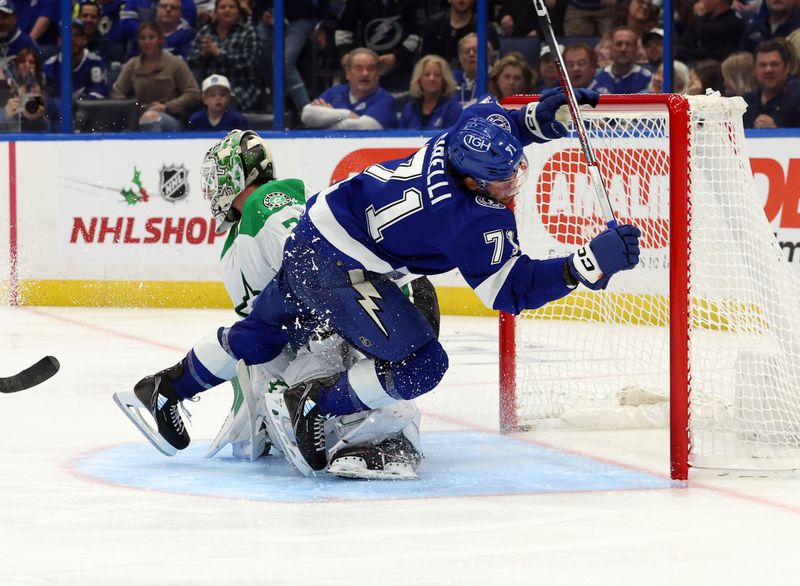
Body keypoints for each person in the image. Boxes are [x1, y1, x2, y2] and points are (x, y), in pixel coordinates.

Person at [114, 86, 642, 476]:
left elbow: (500, 117)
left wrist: (537, 119)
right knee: (423, 362)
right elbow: (512, 290)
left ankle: (163, 388)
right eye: (500, 180)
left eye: (514, 173)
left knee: (263, 332)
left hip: (315, 235)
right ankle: (316, 403)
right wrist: (584, 265)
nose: (511, 185)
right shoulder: (472, 218)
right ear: (470, 179)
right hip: (340, 267)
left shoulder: (468, 132)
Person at [193, 129, 430, 479]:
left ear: (234, 173)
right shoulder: (260, 215)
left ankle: (291, 416)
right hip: (332, 325)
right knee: (400, 374)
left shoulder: (262, 209)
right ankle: (373, 433)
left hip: (321, 328)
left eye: (215, 179)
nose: (211, 190)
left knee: (309, 353)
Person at [112, 21, 201, 131]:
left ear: (160, 39)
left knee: (150, 118)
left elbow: (193, 93)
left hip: (171, 117)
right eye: (142, 38)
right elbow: (117, 91)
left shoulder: (175, 63)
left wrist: (167, 107)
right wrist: (133, 108)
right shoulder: (132, 64)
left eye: (151, 38)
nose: (147, 42)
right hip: (138, 116)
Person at [187, 0, 261, 111]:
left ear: (238, 12)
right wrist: (203, 54)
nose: (227, 10)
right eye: (222, 7)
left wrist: (219, 53)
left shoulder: (249, 31)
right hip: (209, 87)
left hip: (240, 87)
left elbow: (250, 62)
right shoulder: (205, 31)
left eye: (231, 7)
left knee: (222, 101)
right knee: (192, 100)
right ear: (215, 12)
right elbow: (191, 61)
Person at [333, 0, 422, 92]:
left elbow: (417, 34)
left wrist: (397, 57)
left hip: (399, 69)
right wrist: (344, 53)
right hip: (362, 67)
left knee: (397, 102)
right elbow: (343, 29)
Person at [255, 0, 327, 114]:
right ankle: (275, 105)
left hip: (301, 18)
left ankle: (306, 109)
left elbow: (322, 5)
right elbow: (260, 5)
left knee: (283, 61)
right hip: (272, 18)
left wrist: (323, 25)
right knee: (258, 51)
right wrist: (263, 13)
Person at [300, 47, 397, 130]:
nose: (365, 73)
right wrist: (347, 114)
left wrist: (328, 116)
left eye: (370, 69)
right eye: (359, 68)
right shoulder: (335, 92)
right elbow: (307, 115)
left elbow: (364, 127)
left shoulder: (385, 99)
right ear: (347, 73)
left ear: (377, 74)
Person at [422, 0, 499, 71]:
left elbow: (494, 64)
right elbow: (423, 61)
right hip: (439, 80)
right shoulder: (433, 25)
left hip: (474, 81)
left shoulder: (485, 28)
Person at [43, 19, 109, 101]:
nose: (72, 40)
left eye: (76, 35)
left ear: (84, 39)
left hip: (87, 112)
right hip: (58, 112)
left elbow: (99, 95)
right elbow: (45, 98)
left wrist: (77, 104)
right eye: (67, 35)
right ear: (59, 41)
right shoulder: (49, 66)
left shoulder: (96, 63)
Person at [742, 38, 800, 128]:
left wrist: (777, 129)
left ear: (787, 67)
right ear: (754, 70)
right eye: (762, 65)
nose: (768, 70)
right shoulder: (745, 102)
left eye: (775, 64)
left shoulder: (796, 99)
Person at [399, 54, 462, 130]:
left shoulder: (453, 109)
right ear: (419, 79)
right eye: (426, 74)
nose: (431, 78)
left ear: (444, 80)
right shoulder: (409, 109)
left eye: (437, 75)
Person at [675, 0, 745, 64]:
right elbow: (684, 43)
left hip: (715, 69)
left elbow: (706, 33)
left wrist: (698, 15)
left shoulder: (733, 23)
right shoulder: (701, 20)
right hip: (691, 63)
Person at [592, 26, 652, 94]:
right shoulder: (596, 77)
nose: (623, 49)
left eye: (629, 44)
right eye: (619, 44)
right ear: (611, 47)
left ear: (636, 49)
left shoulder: (648, 79)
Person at [451, 32, 494, 108]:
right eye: (467, 51)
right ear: (460, 57)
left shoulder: (496, 78)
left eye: (476, 50)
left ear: (488, 54)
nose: (471, 54)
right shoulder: (451, 79)